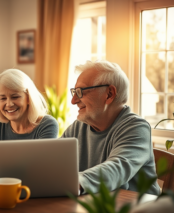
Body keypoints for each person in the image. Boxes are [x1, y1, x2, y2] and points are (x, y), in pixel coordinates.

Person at [62, 60, 160, 195]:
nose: (73, 101)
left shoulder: (136, 127)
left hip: (139, 211)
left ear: (109, 94)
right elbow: (53, 162)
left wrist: (76, 181)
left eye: (80, 91)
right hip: (98, 207)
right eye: (74, 92)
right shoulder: (77, 128)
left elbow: (117, 168)